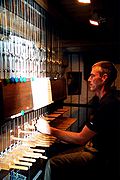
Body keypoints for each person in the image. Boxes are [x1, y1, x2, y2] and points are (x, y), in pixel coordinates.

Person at [36, 60, 120, 180]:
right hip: (95, 147)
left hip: (100, 156)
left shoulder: (108, 104)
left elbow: (81, 138)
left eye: (92, 75)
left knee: (52, 163)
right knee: (57, 149)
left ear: (104, 78)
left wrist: (49, 130)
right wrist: (63, 138)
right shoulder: (103, 100)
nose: (88, 79)